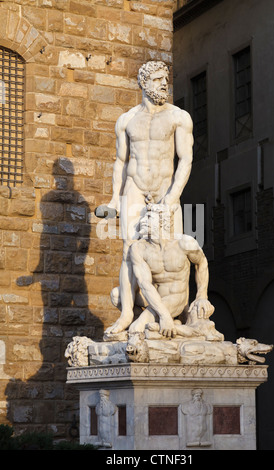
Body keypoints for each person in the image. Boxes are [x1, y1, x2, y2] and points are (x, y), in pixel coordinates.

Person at [95, 61, 194, 338]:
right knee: (130, 250)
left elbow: (185, 159)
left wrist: (173, 196)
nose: (165, 84)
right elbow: (120, 161)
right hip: (135, 187)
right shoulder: (126, 120)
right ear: (144, 82)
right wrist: (115, 199)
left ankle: (176, 312)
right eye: (159, 79)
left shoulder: (179, 117)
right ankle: (128, 313)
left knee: (171, 248)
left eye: (166, 79)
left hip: (165, 189)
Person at [128, 203, 214, 338]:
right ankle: (161, 324)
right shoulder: (139, 248)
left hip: (176, 297)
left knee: (136, 328)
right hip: (152, 297)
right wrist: (164, 315)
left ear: (163, 221)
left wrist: (202, 295)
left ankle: (152, 323)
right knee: (116, 296)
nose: (142, 222)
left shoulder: (184, 243)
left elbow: (201, 262)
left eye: (148, 218)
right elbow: (145, 284)